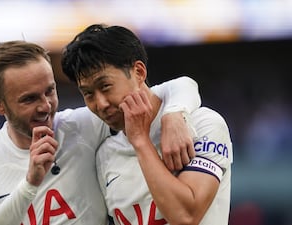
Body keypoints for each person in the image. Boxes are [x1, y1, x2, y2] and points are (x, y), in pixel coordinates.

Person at [0, 40, 202, 225]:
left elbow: (177, 86)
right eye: (29, 99)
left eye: (50, 91)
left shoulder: (84, 125)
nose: (45, 106)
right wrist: (30, 183)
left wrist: (175, 114)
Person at [61, 24, 233, 225]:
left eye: (105, 86)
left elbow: (186, 216)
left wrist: (141, 141)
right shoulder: (104, 155)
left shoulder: (204, 125)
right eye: (88, 94)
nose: (100, 104)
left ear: (139, 72)